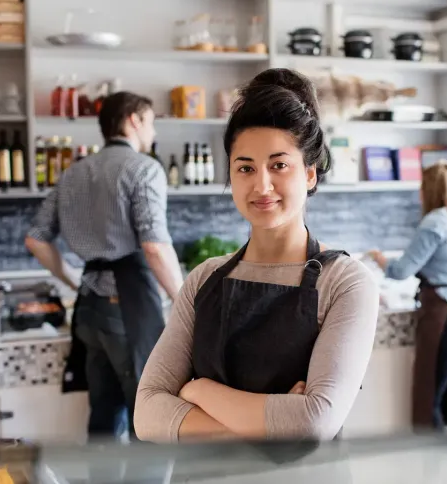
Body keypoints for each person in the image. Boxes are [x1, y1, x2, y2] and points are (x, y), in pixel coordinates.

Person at [133, 68, 379, 442]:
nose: (262, 185)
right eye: (245, 167)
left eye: (279, 165)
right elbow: (147, 415)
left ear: (310, 174)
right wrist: (272, 422)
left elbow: (313, 424)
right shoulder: (204, 279)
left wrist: (199, 392)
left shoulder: (345, 282)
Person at [25, 91, 184, 440]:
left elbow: (36, 239)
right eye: (152, 122)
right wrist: (185, 303)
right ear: (134, 120)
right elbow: (155, 247)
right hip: (127, 312)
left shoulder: (73, 173)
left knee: (104, 420)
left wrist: (70, 280)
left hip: (90, 310)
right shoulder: (144, 168)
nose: (153, 134)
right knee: (150, 423)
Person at [367, 161, 447, 430]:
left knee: (431, 404)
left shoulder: (435, 221)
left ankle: (431, 469)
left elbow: (402, 270)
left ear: (428, 190)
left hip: (446, 318)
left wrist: (380, 260)